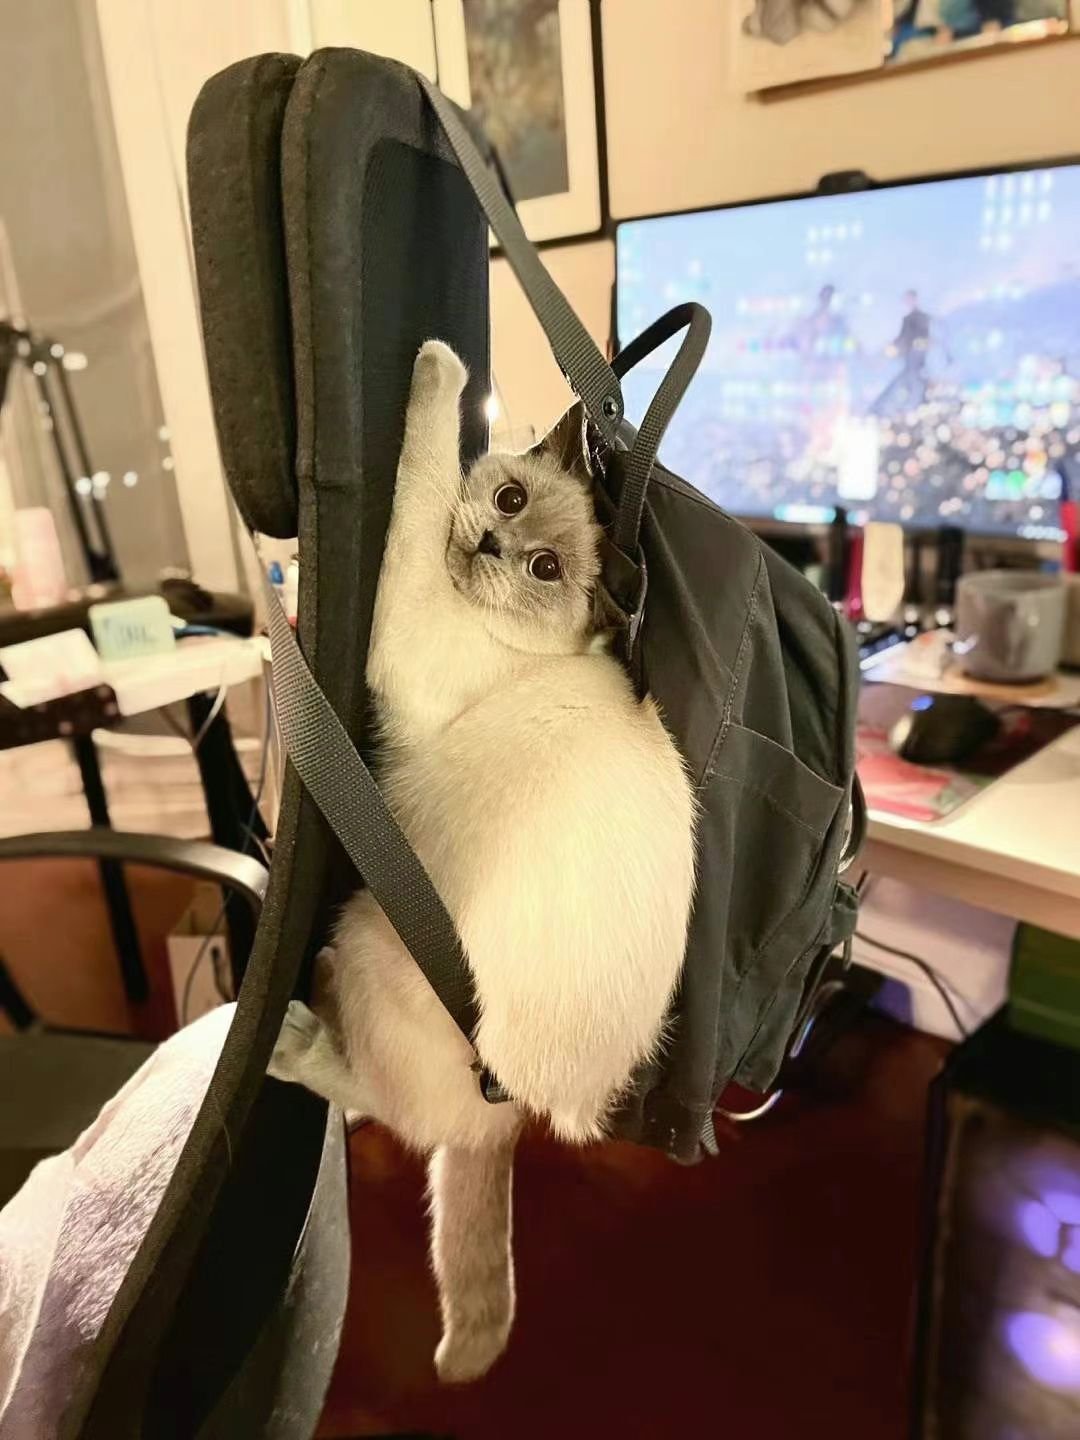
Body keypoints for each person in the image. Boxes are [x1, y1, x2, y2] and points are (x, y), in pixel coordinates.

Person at [870, 289, 939, 415]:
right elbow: (903, 338)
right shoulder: (909, 319)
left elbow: (920, 340)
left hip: (916, 363)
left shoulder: (921, 318)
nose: (907, 302)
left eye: (908, 299)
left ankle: (911, 410)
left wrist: (909, 346)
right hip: (910, 362)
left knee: (913, 388)